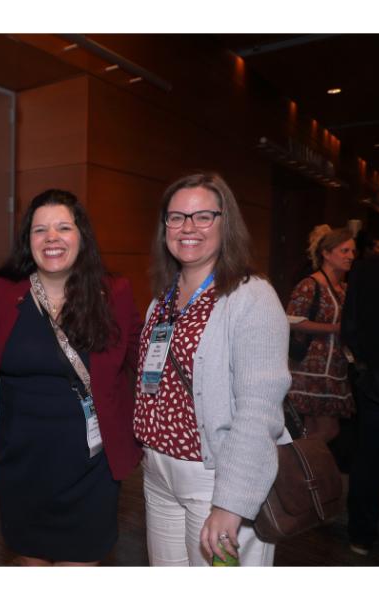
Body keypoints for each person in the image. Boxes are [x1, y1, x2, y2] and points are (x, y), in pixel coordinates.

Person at [0, 189, 142, 566]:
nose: (51, 238)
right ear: (27, 240)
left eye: (63, 227)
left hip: (91, 466)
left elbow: (143, 362)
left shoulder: (114, 292)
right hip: (20, 463)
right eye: (40, 229)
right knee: (30, 563)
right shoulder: (1, 291)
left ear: (82, 235)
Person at [134, 172, 290, 566]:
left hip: (217, 477)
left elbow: (259, 409)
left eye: (203, 216)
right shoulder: (163, 298)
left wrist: (231, 503)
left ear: (226, 223)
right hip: (159, 472)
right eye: (176, 217)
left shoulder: (251, 296)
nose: (188, 228)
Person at [286, 225, 355, 442]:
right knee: (328, 430)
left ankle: (300, 461)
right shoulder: (310, 285)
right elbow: (292, 321)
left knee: (311, 430)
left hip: (335, 367)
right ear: (326, 253)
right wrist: (334, 329)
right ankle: (294, 459)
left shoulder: (345, 289)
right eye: (344, 251)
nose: (350, 256)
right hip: (310, 367)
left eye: (353, 251)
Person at [341, 248, 379, 555]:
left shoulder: (366, 269)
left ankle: (361, 535)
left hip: (376, 382)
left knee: (369, 458)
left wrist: (365, 365)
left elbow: (350, 327)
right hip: (376, 381)